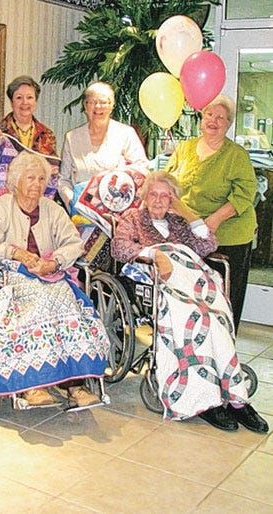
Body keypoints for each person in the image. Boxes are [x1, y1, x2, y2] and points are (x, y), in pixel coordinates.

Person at [111, 171, 268, 433]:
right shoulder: (133, 218)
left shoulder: (179, 221)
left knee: (216, 318)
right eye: (153, 194)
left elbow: (208, 245)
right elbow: (119, 248)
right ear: (145, 197)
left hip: (192, 281)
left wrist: (188, 214)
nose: (158, 200)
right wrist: (153, 254)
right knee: (193, 322)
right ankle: (204, 401)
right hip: (162, 284)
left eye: (165, 196)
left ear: (173, 199)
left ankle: (236, 399)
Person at [0, 152, 109, 407]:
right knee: (39, 303)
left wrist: (54, 262)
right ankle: (33, 386)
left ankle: (74, 385)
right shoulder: (1, 207)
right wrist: (14, 252)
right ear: (16, 180)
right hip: (11, 276)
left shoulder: (51, 209)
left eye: (41, 179)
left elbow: (74, 243)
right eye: (30, 178)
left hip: (50, 274)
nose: (37, 184)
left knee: (69, 304)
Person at [165, 94, 257, 331]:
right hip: (189, 232)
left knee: (224, 297)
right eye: (209, 114)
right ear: (201, 117)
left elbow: (245, 194)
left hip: (228, 234)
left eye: (220, 118)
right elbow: (167, 182)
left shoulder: (236, 155)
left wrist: (213, 220)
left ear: (229, 124)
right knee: (192, 294)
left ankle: (225, 342)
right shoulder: (185, 148)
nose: (213, 121)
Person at [59, 81, 148, 209]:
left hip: (117, 208)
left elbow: (142, 169)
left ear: (112, 106)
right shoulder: (72, 137)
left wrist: (119, 177)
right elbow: (63, 179)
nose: (98, 107)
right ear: (85, 106)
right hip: (81, 209)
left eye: (104, 102)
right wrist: (72, 202)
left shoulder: (126, 133)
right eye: (92, 102)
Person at [0, 75, 57, 159]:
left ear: (35, 101)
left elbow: (53, 164)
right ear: (12, 102)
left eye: (29, 97)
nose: (25, 102)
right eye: (19, 98)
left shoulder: (47, 134)